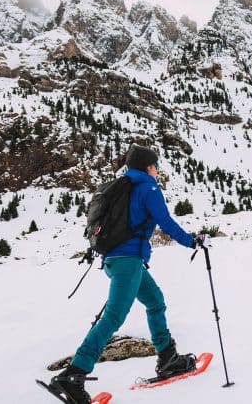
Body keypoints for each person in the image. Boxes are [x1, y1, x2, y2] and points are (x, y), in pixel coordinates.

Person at [48, 144, 205, 404]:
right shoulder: (148, 188)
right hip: (128, 262)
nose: (157, 170)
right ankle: (74, 374)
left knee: (155, 301)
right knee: (113, 317)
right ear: (147, 167)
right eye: (155, 165)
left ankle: (167, 357)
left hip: (114, 260)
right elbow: (165, 223)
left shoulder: (122, 186)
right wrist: (193, 242)